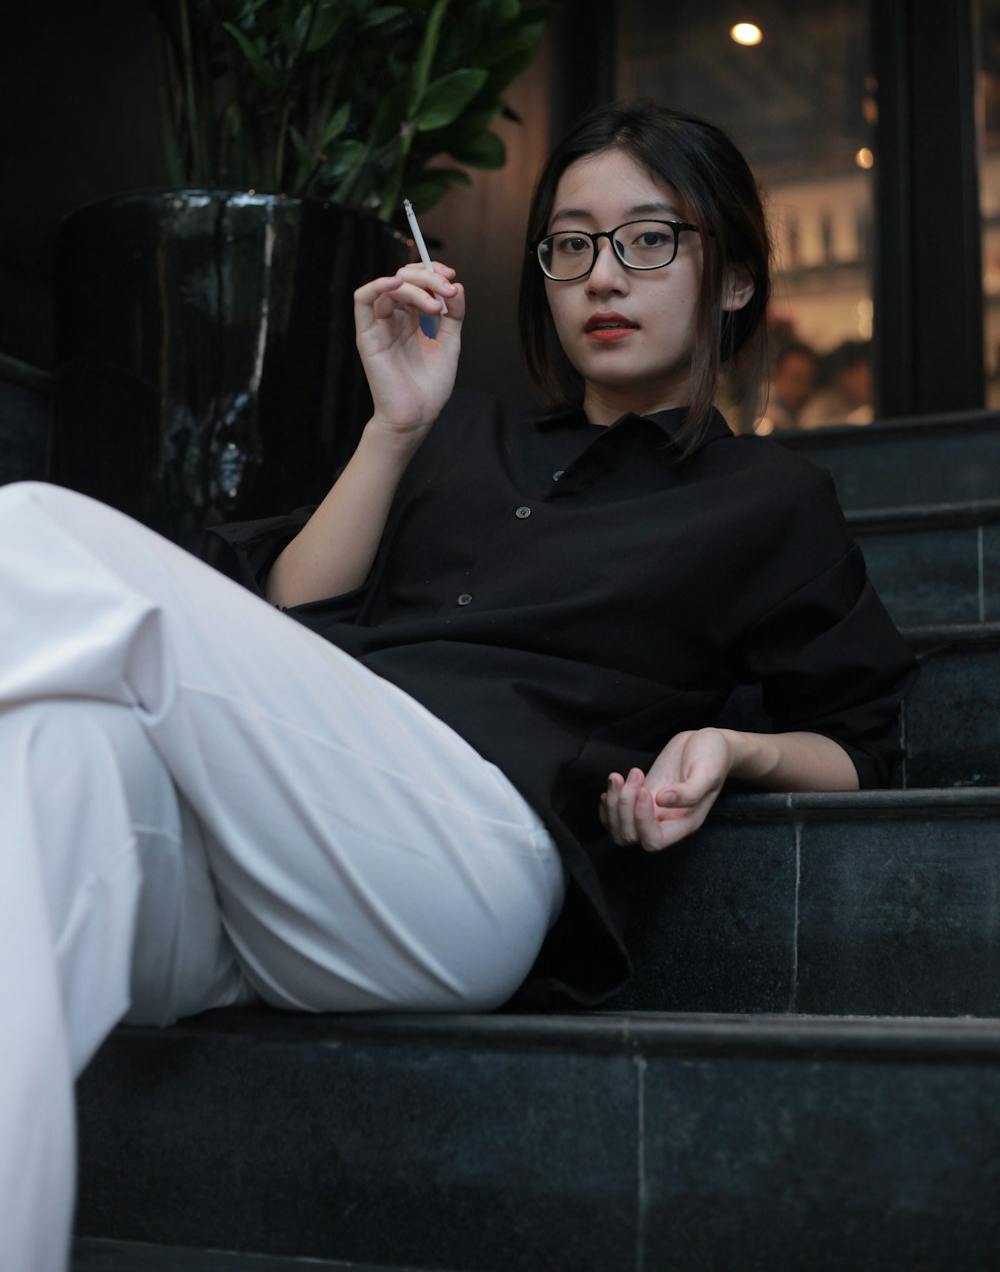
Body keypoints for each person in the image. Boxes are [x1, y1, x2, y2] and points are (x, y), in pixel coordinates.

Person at [0, 100, 915, 1272]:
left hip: (471, 856)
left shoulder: (767, 499)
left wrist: (733, 749)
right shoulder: (456, 438)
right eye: (570, 244)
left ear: (731, 278)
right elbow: (288, 626)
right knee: (54, 759)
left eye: (648, 239)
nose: (601, 274)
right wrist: (393, 427)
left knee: (37, 531)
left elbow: (863, 747)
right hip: (285, 857)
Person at [760, 337, 819, 431]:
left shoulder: (808, 415)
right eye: (796, 379)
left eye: (808, 380)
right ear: (776, 377)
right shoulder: (762, 418)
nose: (802, 389)